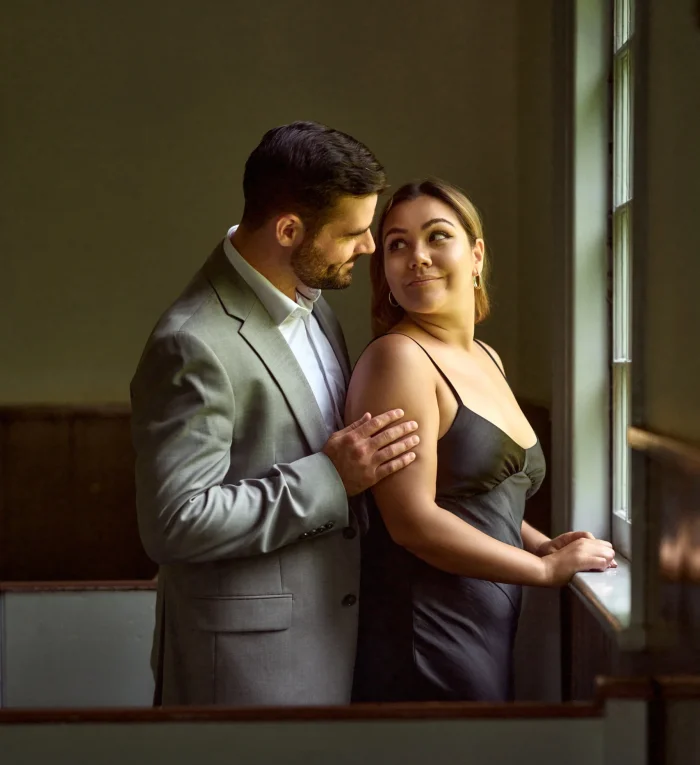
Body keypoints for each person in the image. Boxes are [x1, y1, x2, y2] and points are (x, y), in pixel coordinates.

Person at [130, 122, 419, 706]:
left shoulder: (314, 306)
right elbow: (175, 522)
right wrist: (330, 478)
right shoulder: (192, 342)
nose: (368, 247)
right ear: (289, 229)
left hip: (338, 639)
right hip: (244, 667)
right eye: (353, 233)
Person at [347, 179, 616, 702]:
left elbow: (475, 499)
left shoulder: (488, 359)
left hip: (487, 624)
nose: (416, 257)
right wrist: (542, 569)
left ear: (475, 255)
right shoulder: (398, 358)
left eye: (436, 236)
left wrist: (541, 541)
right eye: (397, 244)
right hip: (425, 633)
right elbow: (412, 521)